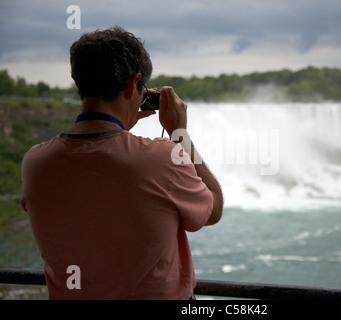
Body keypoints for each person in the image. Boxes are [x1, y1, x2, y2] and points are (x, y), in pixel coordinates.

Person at [21, 26, 223, 300]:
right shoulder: (162, 159)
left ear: (80, 83)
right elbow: (213, 209)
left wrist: (120, 125)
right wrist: (179, 134)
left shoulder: (36, 162)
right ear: (133, 83)